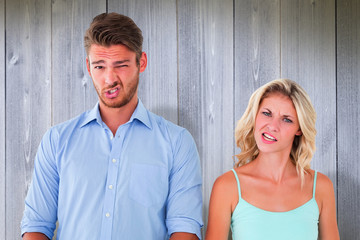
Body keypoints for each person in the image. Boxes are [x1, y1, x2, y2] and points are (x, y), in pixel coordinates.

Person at [21, 12, 203, 240]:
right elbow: (37, 225)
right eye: (99, 66)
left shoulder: (177, 143)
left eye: (121, 65)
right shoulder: (57, 140)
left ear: (141, 62)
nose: (110, 78)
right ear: (88, 67)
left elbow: (184, 228)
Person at [205, 79, 339, 240]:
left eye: (286, 119)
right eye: (267, 113)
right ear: (254, 116)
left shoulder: (321, 187)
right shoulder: (227, 186)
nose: (272, 126)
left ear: (299, 129)